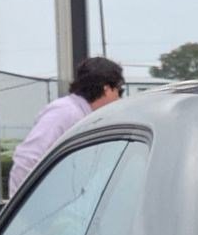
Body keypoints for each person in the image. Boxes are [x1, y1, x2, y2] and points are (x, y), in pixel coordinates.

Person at [7, 56, 125, 197]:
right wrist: (23, 212)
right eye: (119, 90)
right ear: (107, 89)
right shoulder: (65, 112)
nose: (119, 98)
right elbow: (28, 159)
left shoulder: (85, 116)